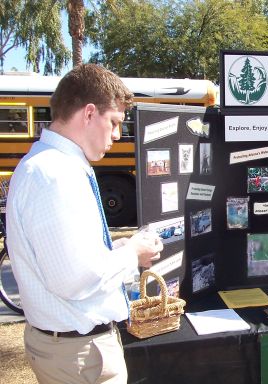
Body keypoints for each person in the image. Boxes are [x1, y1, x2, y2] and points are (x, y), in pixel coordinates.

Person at [6, 64, 163, 383]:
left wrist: (121, 248)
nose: (118, 135)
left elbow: (74, 258)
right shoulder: (54, 175)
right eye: (115, 122)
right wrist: (131, 253)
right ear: (89, 113)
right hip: (80, 356)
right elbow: (73, 280)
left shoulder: (53, 167)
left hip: (77, 350)